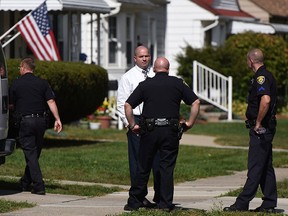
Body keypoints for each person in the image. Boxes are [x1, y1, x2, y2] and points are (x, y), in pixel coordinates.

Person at [124, 57, 200, 211]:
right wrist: (190, 123)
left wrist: (133, 125)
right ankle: (165, 203)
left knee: (143, 166)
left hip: (149, 130)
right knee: (166, 167)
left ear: (153, 69)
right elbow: (195, 102)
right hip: (170, 131)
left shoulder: (145, 85)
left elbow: (128, 105)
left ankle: (134, 202)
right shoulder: (178, 83)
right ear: (168, 68)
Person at [224, 48, 278, 213]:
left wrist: (258, 123)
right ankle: (269, 203)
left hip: (262, 128)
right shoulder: (265, 75)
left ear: (251, 60)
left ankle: (242, 203)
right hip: (266, 127)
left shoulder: (261, 77)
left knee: (255, 165)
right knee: (265, 166)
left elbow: (266, 100)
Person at [9, 57, 62, 195]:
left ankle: (39, 186)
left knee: (31, 154)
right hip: (41, 122)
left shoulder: (16, 84)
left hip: (25, 122)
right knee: (34, 153)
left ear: (23, 67)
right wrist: (57, 119)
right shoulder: (42, 83)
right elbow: (51, 101)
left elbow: (10, 105)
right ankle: (25, 182)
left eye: (19, 68)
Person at [117, 45, 160, 208]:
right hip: (136, 119)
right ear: (135, 58)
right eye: (141, 56)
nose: (144, 59)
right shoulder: (128, 77)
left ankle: (160, 194)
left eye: (147, 56)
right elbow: (121, 103)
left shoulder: (155, 75)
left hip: (153, 119)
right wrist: (130, 124)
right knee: (137, 161)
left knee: (157, 159)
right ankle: (138, 196)